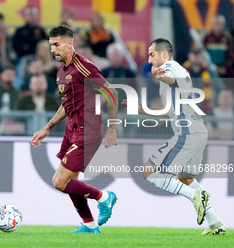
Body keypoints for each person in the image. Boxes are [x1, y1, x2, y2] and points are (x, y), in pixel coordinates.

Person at [123, 38, 225, 235]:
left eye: (152, 54)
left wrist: (158, 75)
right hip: (197, 131)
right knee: (185, 178)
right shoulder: (177, 72)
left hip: (187, 132)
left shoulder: (171, 66)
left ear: (164, 54)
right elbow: (169, 110)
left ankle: (196, 197)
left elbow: (170, 76)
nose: (149, 59)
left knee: (150, 172)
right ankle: (216, 225)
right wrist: (141, 110)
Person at [31, 26, 118, 233]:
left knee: (59, 182)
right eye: (51, 45)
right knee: (72, 183)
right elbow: (66, 105)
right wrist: (47, 128)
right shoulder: (61, 71)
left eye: (56, 44)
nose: (53, 50)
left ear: (70, 43)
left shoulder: (84, 67)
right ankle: (89, 225)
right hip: (72, 129)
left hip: (88, 130)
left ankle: (105, 197)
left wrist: (112, 128)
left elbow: (111, 93)